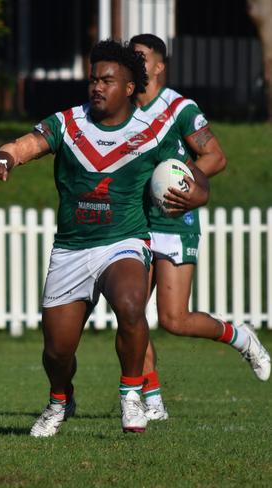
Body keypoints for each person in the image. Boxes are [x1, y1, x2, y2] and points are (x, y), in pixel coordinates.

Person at [0, 40, 208, 437]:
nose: (97, 87)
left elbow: (196, 174)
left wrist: (197, 194)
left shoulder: (152, 133)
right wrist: (5, 158)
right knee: (58, 350)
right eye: (93, 79)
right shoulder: (68, 124)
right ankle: (59, 400)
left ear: (127, 87)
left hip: (123, 241)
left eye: (107, 80)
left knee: (131, 302)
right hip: (71, 248)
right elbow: (26, 144)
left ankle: (131, 394)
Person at [129, 34, 270, 421]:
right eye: (131, 58)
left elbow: (216, 157)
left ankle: (240, 337)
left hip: (175, 220)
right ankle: (152, 399)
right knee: (131, 316)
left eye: (142, 58)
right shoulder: (121, 111)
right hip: (135, 223)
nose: (136, 64)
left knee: (174, 319)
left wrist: (183, 182)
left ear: (159, 66)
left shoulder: (179, 108)